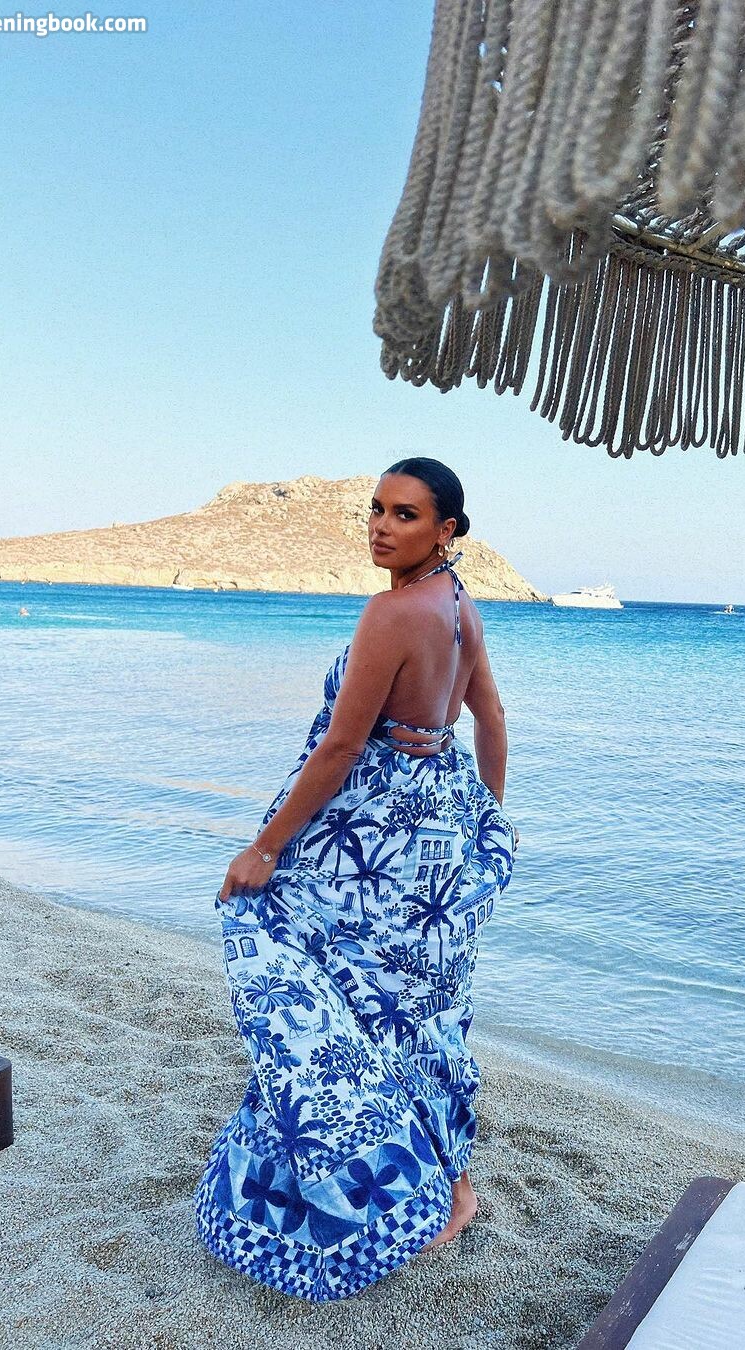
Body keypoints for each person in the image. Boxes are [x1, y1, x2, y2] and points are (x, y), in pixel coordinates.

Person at [194, 457, 520, 1302]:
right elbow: (488, 719)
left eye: (405, 514)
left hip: (371, 846)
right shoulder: (460, 607)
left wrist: (265, 849)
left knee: (304, 963)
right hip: (431, 843)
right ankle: (451, 1187)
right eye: (376, 509)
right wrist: (480, 826)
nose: (381, 526)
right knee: (418, 1010)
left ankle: (380, 1184)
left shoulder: (391, 612)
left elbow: (343, 747)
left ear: (447, 530)